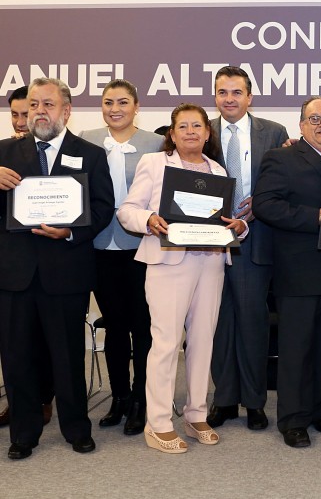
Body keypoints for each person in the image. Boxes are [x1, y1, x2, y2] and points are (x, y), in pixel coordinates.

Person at [117, 103, 247, 454]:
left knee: (203, 342)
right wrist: (148, 219)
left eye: (197, 126)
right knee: (165, 344)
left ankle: (195, 413)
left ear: (207, 133)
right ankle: (158, 423)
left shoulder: (218, 170)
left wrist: (240, 226)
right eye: (183, 127)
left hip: (211, 264)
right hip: (168, 262)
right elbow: (127, 210)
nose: (190, 132)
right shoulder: (155, 164)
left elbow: (229, 220)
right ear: (172, 134)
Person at [0, 77, 114, 460]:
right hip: (15, 275)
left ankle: (77, 429)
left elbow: (102, 209)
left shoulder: (91, 154)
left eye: (48, 104)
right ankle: (24, 434)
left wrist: (70, 231)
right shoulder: (3, 154)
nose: (39, 111)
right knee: (17, 358)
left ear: (66, 111)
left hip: (66, 272)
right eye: (33, 105)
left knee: (67, 357)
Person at [252, 96, 321, 448]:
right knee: (296, 348)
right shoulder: (281, 158)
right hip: (298, 272)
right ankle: (292, 419)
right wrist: (314, 216)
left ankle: (318, 410)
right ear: (301, 125)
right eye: (315, 119)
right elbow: (266, 205)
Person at [206, 66, 288, 431]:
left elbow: (284, 184)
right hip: (207, 244)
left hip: (256, 241)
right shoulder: (200, 131)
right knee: (218, 324)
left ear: (249, 96)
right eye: (222, 92)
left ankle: (254, 401)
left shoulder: (274, 132)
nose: (229, 99)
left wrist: (261, 204)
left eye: (236, 92)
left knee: (253, 323)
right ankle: (223, 399)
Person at [81, 79, 162, 435]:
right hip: (98, 245)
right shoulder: (84, 138)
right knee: (114, 327)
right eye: (108, 101)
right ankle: (119, 397)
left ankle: (143, 401)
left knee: (143, 327)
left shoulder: (156, 143)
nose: (115, 108)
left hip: (141, 246)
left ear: (136, 105)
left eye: (123, 102)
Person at [0, 85, 54, 429]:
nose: (22, 120)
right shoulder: (3, 153)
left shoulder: (60, 150)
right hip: (12, 265)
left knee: (47, 342)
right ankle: (21, 407)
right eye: (16, 114)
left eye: (29, 112)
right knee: (15, 345)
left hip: (54, 263)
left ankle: (45, 398)